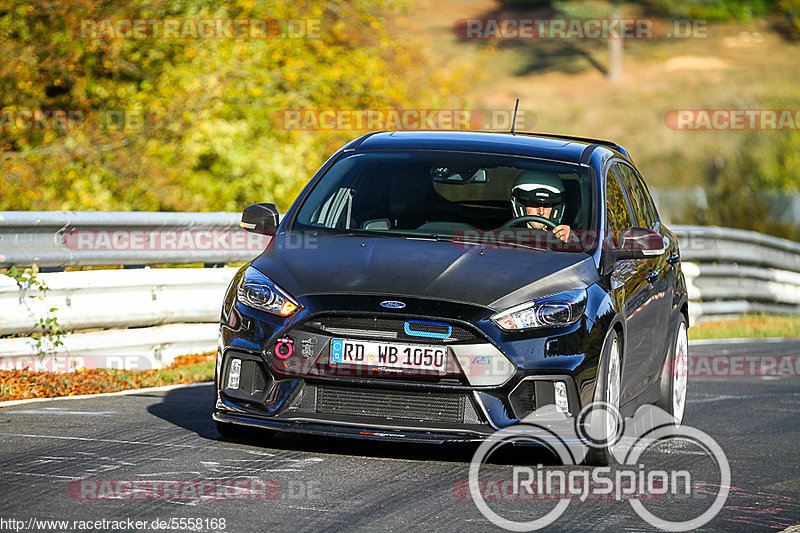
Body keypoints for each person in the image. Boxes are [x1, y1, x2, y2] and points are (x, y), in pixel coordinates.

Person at [510, 171, 572, 243]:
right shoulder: (502, 235)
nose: (541, 212)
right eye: (534, 204)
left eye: (547, 204)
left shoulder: (561, 235)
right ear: (521, 206)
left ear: (556, 209)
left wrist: (571, 240)